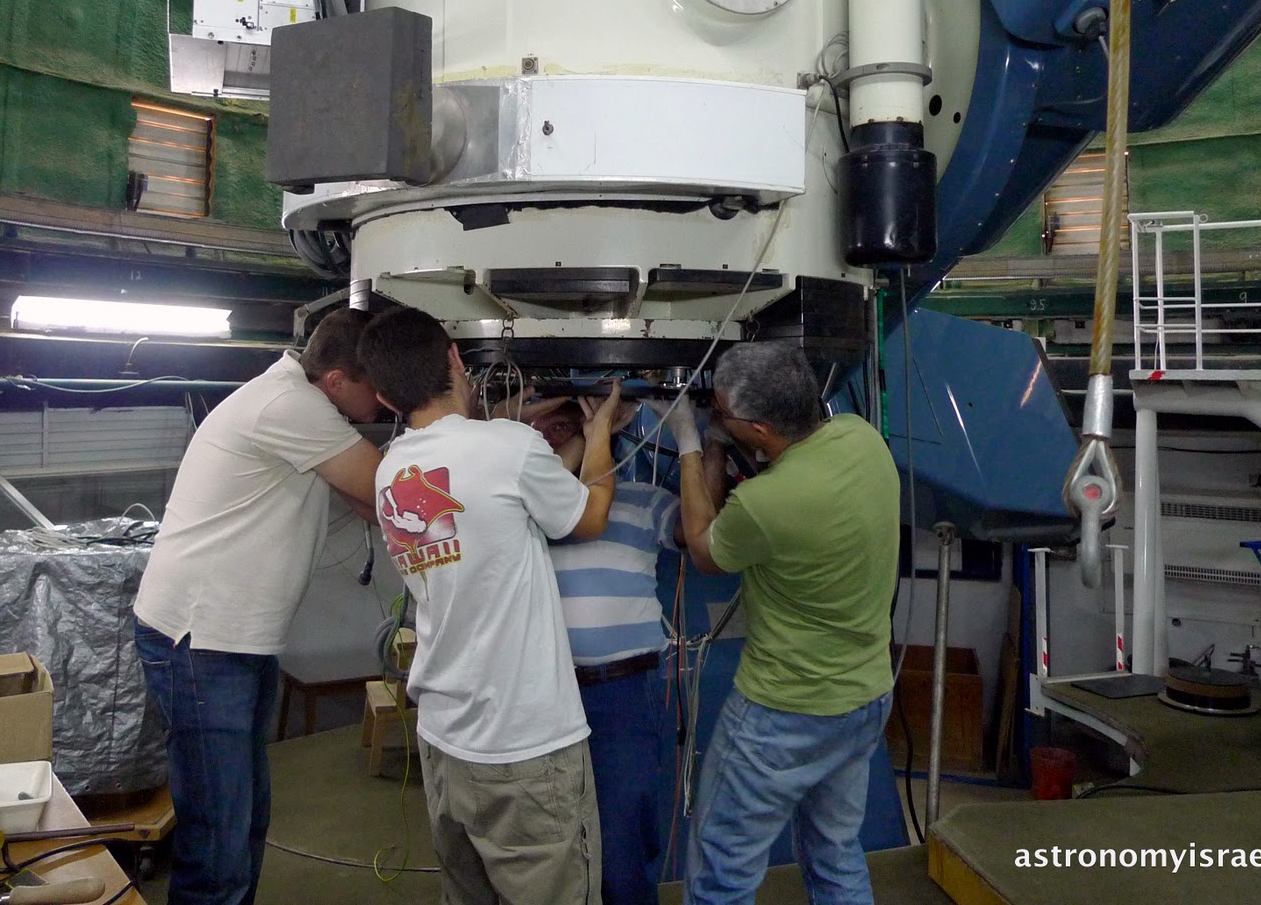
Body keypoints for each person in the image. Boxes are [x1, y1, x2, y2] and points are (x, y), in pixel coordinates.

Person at [358, 306, 619, 905]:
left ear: (382, 393)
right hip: (526, 743)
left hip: (446, 741)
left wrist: (517, 427)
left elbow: (489, 501)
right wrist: (600, 429)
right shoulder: (511, 447)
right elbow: (590, 515)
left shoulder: (392, 470)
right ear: (454, 356)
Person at [133, 309, 383, 905]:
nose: (391, 397)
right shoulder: (290, 407)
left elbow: (380, 508)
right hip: (203, 640)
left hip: (233, 639)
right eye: (381, 383)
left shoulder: (299, 401)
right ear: (338, 381)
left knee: (243, 819)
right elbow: (393, 493)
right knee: (218, 836)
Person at [661, 341, 900, 905]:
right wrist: (723, 437)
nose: (714, 415)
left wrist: (692, 445)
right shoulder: (862, 438)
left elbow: (701, 549)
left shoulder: (765, 504)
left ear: (761, 429)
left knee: (724, 870)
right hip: (864, 698)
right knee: (836, 853)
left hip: (783, 713)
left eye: (720, 412)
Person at [530, 398, 680, 905]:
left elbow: (702, 539)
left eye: (566, 428)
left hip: (623, 694)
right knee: (546, 845)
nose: (551, 435)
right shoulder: (532, 508)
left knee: (620, 844)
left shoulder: (647, 499)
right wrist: (583, 436)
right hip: (544, 693)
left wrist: (704, 446)